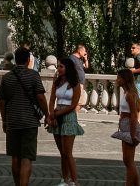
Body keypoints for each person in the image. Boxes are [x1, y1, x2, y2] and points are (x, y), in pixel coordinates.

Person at [0, 46, 49, 186]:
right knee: (26, 157)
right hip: (29, 122)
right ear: (27, 60)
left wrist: (4, 120)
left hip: (12, 121)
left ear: (15, 59)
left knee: (15, 157)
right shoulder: (33, 75)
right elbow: (41, 98)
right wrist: (48, 115)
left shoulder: (7, 77)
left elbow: (2, 101)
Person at [47, 57, 84, 186]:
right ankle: (65, 179)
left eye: (61, 66)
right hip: (57, 115)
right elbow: (52, 100)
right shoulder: (57, 82)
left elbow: (73, 105)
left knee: (68, 152)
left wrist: (57, 114)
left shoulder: (75, 84)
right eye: (58, 66)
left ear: (68, 68)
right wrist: (51, 114)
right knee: (62, 153)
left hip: (68, 117)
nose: (59, 69)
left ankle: (75, 181)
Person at [111, 69, 140, 186]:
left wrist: (132, 134)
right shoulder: (127, 93)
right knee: (127, 160)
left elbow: (133, 115)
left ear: (125, 80)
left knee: (129, 161)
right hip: (125, 127)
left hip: (129, 128)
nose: (117, 80)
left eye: (119, 78)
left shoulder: (130, 94)